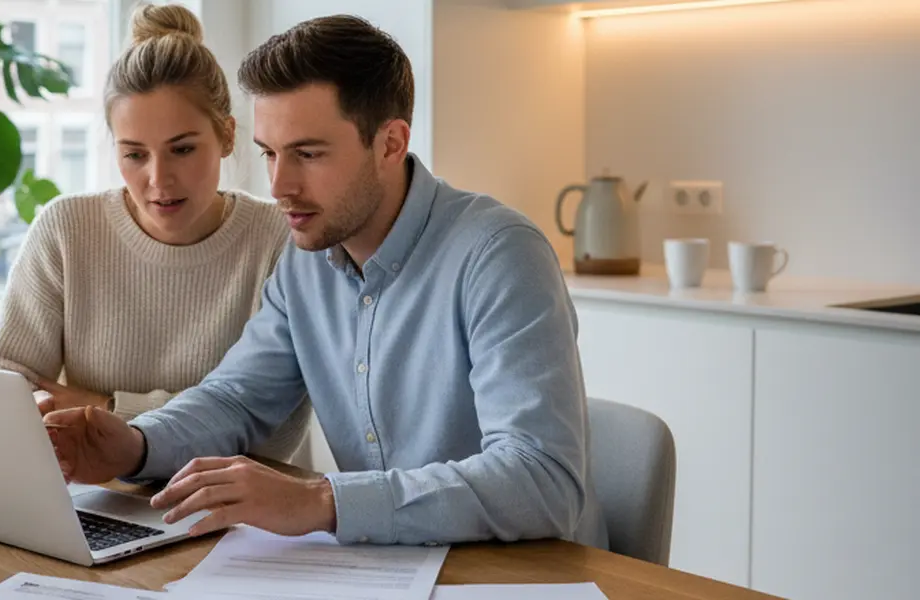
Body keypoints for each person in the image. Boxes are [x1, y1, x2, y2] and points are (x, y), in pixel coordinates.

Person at [42, 14, 609, 549]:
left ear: (390, 143)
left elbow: (542, 482)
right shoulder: (307, 258)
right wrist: (136, 443)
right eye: (269, 154)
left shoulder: (498, 254)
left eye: (307, 154)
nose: (280, 184)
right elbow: (236, 400)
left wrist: (323, 501)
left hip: (526, 576)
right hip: (389, 569)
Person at [0, 4, 311, 464]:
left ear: (227, 136)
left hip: (235, 513)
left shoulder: (282, 241)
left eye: (183, 149)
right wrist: (51, 411)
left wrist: (104, 409)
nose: (158, 180)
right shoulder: (68, 230)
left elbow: (267, 434)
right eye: (134, 154)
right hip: (94, 497)